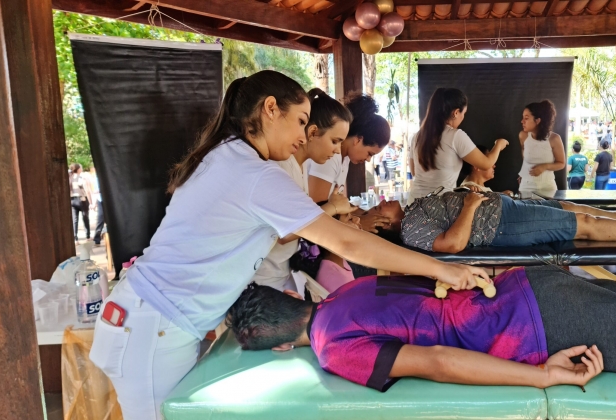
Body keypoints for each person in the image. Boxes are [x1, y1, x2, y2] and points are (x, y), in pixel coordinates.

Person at [88, 71, 489, 420]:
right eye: (300, 121)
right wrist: (441, 269)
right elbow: (349, 242)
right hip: (152, 326)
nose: (303, 135)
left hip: (155, 321)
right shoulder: (255, 174)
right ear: (269, 110)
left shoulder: (229, 157)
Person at [227, 265, 616, 392]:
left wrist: (542, 378)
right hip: (530, 283)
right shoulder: (345, 290)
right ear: (293, 295)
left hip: (542, 324)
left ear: (279, 345)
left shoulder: (330, 347)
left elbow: (437, 360)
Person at [366, 185, 616, 254]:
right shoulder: (410, 229)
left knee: (569, 208)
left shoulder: (412, 215)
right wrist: (471, 204)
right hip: (503, 225)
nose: (382, 202)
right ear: (385, 224)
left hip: (503, 211)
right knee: (584, 226)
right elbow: (452, 244)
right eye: (378, 209)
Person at [252, 88, 355, 292]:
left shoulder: (301, 166)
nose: (337, 151)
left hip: (282, 272)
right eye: (334, 141)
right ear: (313, 132)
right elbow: (286, 232)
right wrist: (332, 207)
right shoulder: (281, 166)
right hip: (262, 280)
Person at [409, 88, 509, 201]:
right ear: (456, 113)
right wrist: (499, 145)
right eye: (464, 113)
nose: (463, 117)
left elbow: (414, 172)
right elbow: (486, 164)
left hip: (414, 203)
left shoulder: (417, 137)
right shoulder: (455, 135)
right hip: (438, 207)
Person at [308, 95, 390, 201]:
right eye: (370, 153)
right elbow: (317, 206)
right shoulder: (330, 156)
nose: (368, 159)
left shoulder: (345, 158)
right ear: (358, 140)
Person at [517, 100, 565, 192]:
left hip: (548, 186)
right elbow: (525, 158)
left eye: (526, 118)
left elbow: (561, 163)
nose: (522, 121)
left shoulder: (554, 138)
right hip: (526, 186)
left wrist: (544, 166)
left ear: (537, 120)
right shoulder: (523, 136)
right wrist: (523, 173)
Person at [69, 163, 92, 242]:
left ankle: (75, 238)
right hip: (82, 199)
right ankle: (88, 236)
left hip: (72, 200)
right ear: (78, 169)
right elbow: (86, 190)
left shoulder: (70, 178)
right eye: (81, 168)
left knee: (74, 219)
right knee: (85, 217)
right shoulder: (81, 177)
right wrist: (90, 201)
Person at [87, 166, 106, 246]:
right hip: (100, 199)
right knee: (100, 218)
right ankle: (97, 238)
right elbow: (95, 192)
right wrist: (93, 203)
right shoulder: (95, 179)